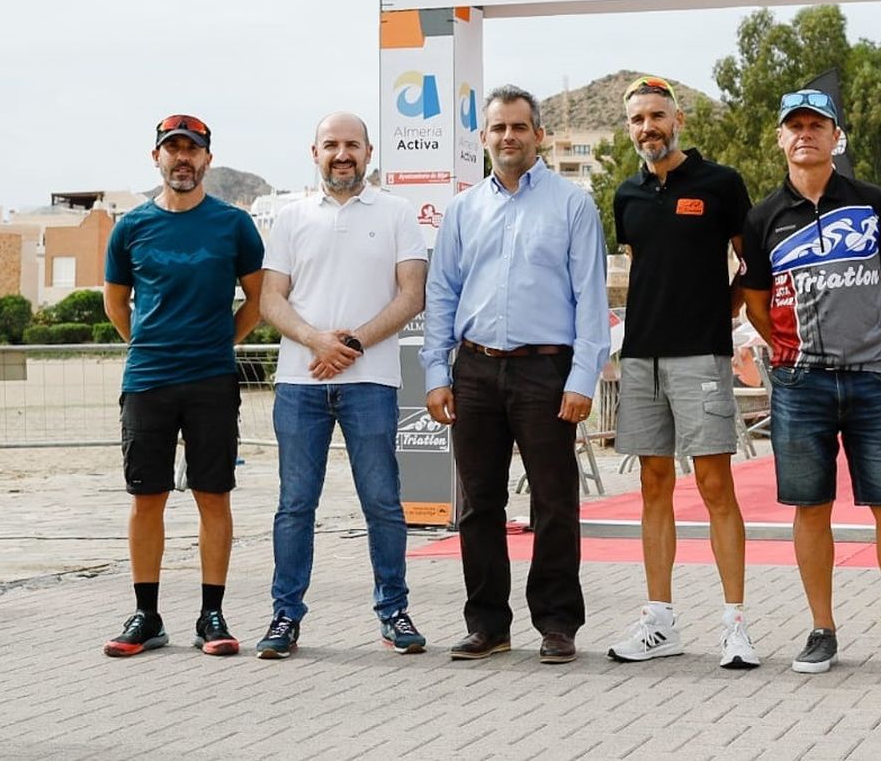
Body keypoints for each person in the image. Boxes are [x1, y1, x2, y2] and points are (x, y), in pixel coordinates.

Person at [739, 88, 881, 677]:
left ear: (837, 136)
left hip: (870, 380)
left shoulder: (872, 202)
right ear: (781, 139)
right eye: (795, 126)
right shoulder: (761, 218)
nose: (805, 133)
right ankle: (821, 630)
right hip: (798, 383)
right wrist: (786, 349)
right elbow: (755, 303)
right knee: (810, 507)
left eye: (817, 124)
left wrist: (869, 341)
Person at [420, 84, 610, 666]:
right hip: (474, 369)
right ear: (483, 138)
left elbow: (590, 298)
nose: (508, 138)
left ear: (539, 136)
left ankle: (556, 624)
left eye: (519, 128)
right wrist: (436, 370)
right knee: (480, 504)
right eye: (498, 128)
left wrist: (581, 379)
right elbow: (442, 292)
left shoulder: (572, 205)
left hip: (546, 371)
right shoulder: (463, 209)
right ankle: (487, 625)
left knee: (555, 501)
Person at [253, 112, 429, 660]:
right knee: (294, 505)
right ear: (315, 153)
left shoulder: (399, 213)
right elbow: (270, 299)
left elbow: (411, 294)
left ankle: (394, 612)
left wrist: (349, 345)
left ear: (370, 152)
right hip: (300, 383)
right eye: (331, 145)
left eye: (352, 144)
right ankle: (284, 617)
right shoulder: (289, 217)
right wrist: (315, 341)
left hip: (370, 381)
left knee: (382, 502)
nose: (342, 154)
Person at [606, 74, 758, 669]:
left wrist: (720, 312)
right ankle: (660, 621)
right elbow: (643, 267)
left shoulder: (721, 184)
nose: (649, 127)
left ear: (679, 121)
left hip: (702, 356)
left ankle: (735, 625)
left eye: (658, 116)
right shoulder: (626, 194)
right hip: (641, 356)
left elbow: (751, 263)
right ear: (631, 128)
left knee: (716, 486)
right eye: (639, 119)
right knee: (652, 486)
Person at [100, 114, 265, 657]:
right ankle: (146, 615)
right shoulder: (130, 227)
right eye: (172, 149)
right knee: (146, 498)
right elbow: (115, 302)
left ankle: (211, 616)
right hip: (147, 378)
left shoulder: (234, 225)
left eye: (192, 150)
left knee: (211, 495)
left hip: (211, 380)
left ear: (207, 160)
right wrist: (147, 342)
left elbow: (258, 300)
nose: (182, 159)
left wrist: (223, 341)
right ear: (157, 159)